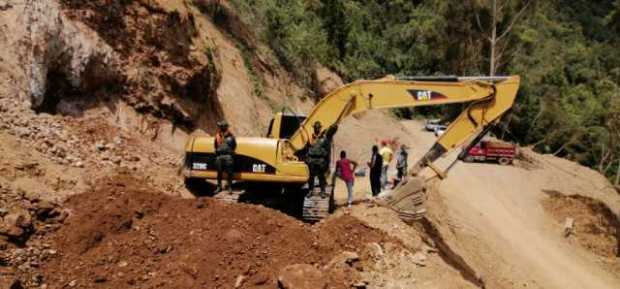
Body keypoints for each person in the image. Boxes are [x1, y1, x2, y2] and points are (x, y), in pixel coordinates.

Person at [306, 121, 338, 197]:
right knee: (311, 176)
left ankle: (322, 191)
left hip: (321, 160)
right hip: (312, 160)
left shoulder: (325, 138)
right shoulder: (310, 138)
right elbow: (307, 148)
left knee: (321, 176)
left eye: (318, 127)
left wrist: (327, 162)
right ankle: (310, 190)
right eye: (315, 127)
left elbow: (328, 149)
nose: (316, 129)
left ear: (320, 128)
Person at [214, 120, 236, 193]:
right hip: (219, 156)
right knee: (219, 172)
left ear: (225, 127)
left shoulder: (231, 136)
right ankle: (219, 187)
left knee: (230, 172)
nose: (219, 127)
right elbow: (215, 145)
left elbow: (234, 146)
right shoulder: (217, 136)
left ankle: (230, 187)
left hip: (228, 156)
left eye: (221, 126)